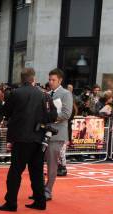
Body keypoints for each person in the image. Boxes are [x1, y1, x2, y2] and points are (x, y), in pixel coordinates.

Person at [0, 68, 50, 211]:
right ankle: (40, 201)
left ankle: (11, 202)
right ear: (33, 78)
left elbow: (5, 112)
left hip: (20, 138)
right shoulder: (43, 94)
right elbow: (50, 115)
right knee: (37, 171)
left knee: (15, 171)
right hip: (38, 137)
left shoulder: (15, 93)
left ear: (21, 79)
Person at [44, 68, 73, 201]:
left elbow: (67, 113)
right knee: (40, 162)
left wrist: (51, 117)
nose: (50, 82)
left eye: (53, 80)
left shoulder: (66, 94)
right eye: (49, 79)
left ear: (60, 80)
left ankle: (48, 191)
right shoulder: (47, 93)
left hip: (57, 134)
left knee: (52, 164)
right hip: (45, 132)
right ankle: (40, 190)